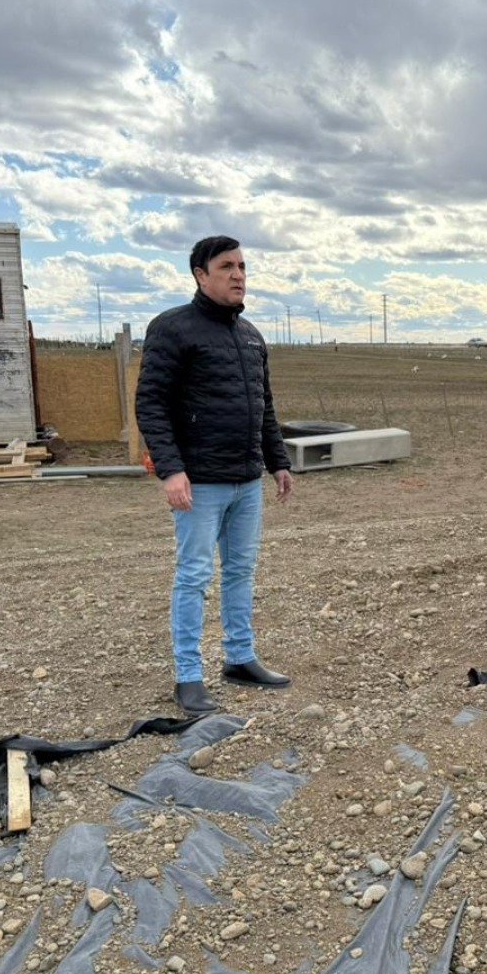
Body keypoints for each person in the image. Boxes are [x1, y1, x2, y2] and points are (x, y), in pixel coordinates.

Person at [136, 235, 295, 715]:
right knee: (194, 576)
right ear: (200, 275)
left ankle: (240, 658)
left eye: (243, 266)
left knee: (242, 571)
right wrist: (171, 470)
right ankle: (188, 676)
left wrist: (278, 461)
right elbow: (151, 403)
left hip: (246, 480)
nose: (238, 274)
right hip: (198, 482)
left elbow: (264, 407)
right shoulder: (172, 329)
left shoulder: (250, 336)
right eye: (226, 266)